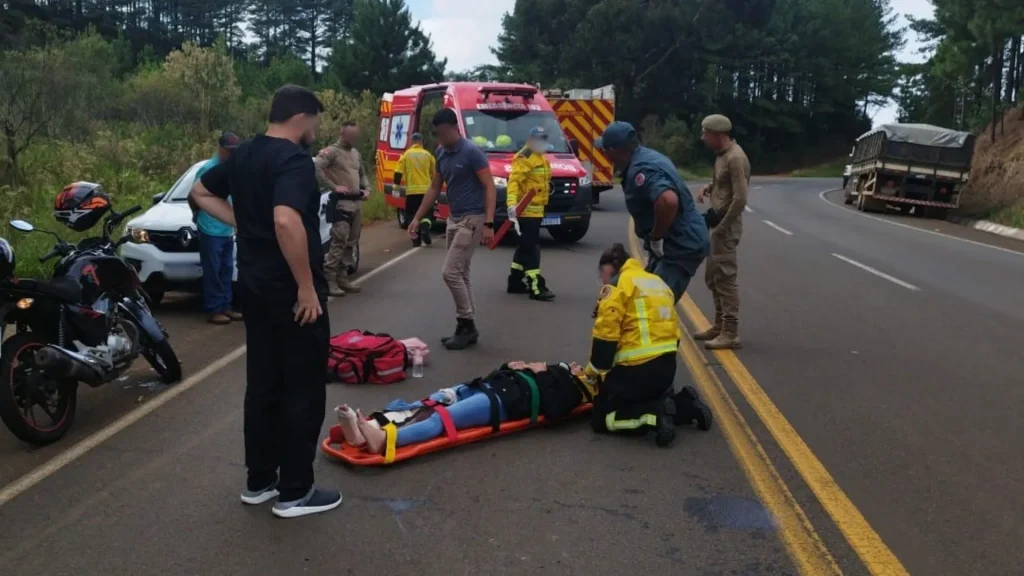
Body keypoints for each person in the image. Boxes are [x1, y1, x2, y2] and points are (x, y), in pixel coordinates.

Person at [190, 84, 342, 519]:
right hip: (290, 291)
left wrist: (243, 223)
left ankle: (260, 481)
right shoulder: (293, 160)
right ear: (301, 117)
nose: (315, 131)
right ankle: (295, 492)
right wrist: (306, 287)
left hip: (253, 286)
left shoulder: (244, 154)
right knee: (302, 387)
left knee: (262, 384)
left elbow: (200, 192)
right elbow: (285, 220)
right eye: (315, 122)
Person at [583, 244, 713, 448]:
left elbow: (605, 344)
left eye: (603, 276)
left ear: (610, 268)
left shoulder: (617, 286)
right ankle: (686, 405)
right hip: (667, 368)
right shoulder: (656, 282)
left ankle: (653, 416)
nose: (603, 281)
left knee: (601, 417)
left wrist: (590, 374)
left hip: (637, 372)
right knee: (647, 397)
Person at [334, 362, 595, 454]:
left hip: (501, 402)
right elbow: (504, 374)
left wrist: (542, 373)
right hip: (488, 386)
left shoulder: (570, 392)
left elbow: (553, 410)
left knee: (441, 418)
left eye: (579, 368)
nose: (576, 365)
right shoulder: (555, 371)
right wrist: (513, 366)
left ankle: (385, 440)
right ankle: (369, 428)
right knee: (431, 401)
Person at [408, 107, 496, 351]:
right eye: (437, 133)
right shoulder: (441, 152)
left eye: (444, 132)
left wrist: (489, 223)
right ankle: (468, 327)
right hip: (453, 219)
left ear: (455, 128)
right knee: (462, 272)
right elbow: (434, 188)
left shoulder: (472, 152)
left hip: (473, 219)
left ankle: (465, 323)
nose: (441, 137)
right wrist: (417, 217)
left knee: (450, 273)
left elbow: (489, 186)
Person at [595, 121, 710, 303]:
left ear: (614, 151)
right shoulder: (648, 156)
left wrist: (657, 237)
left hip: (681, 246)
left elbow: (668, 200)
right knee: (642, 293)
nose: (603, 154)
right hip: (674, 242)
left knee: (653, 306)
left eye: (604, 150)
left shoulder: (641, 170)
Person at [696, 114, 749, 350]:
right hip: (717, 225)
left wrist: (722, 228)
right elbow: (723, 183)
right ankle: (719, 325)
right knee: (712, 277)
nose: (703, 138)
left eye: (705, 133)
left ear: (718, 135)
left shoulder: (735, 158)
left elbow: (740, 198)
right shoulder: (722, 156)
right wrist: (708, 187)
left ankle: (730, 332)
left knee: (726, 279)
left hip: (725, 228)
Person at [315, 120, 370, 297]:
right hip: (341, 203)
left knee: (351, 241)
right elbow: (316, 167)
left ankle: (342, 276)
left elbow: (362, 173)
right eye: (351, 135)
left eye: (356, 135)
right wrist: (333, 186)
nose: (354, 138)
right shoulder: (332, 152)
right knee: (339, 240)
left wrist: (367, 188)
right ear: (342, 133)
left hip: (356, 202)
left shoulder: (355, 153)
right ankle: (330, 279)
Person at [194, 132, 241, 325]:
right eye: (228, 151)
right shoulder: (208, 169)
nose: (231, 154)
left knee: (226, 269)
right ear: (220, 149)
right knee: (212, 270)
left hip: (226, 228)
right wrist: (197, 217)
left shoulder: (233, 168)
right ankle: (214, 309)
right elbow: (194, 195)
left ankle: (225, 305)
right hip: (210, 227)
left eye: (234, 151)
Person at [506, 127, 555, 301]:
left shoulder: (540, 156)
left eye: (544, 138)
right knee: (532, 249)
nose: (543, 142)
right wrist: (512, 204)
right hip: (526, 212)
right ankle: (536, 287)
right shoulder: (525, 157)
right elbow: (514, 182)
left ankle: (515, 281)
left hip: (536, 211)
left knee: (525, 246)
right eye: (540, 139)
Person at [393, 133, 436, 247]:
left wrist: (396, 188)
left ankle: (415, 238)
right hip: (426, 192)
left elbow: (398, 172)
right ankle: (425, 228)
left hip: (411, 192)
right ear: (421, 142)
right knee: (427, 214)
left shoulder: (406, 155)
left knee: (411, 215)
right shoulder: (428, 155)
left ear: (412, 142)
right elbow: (435, 174)